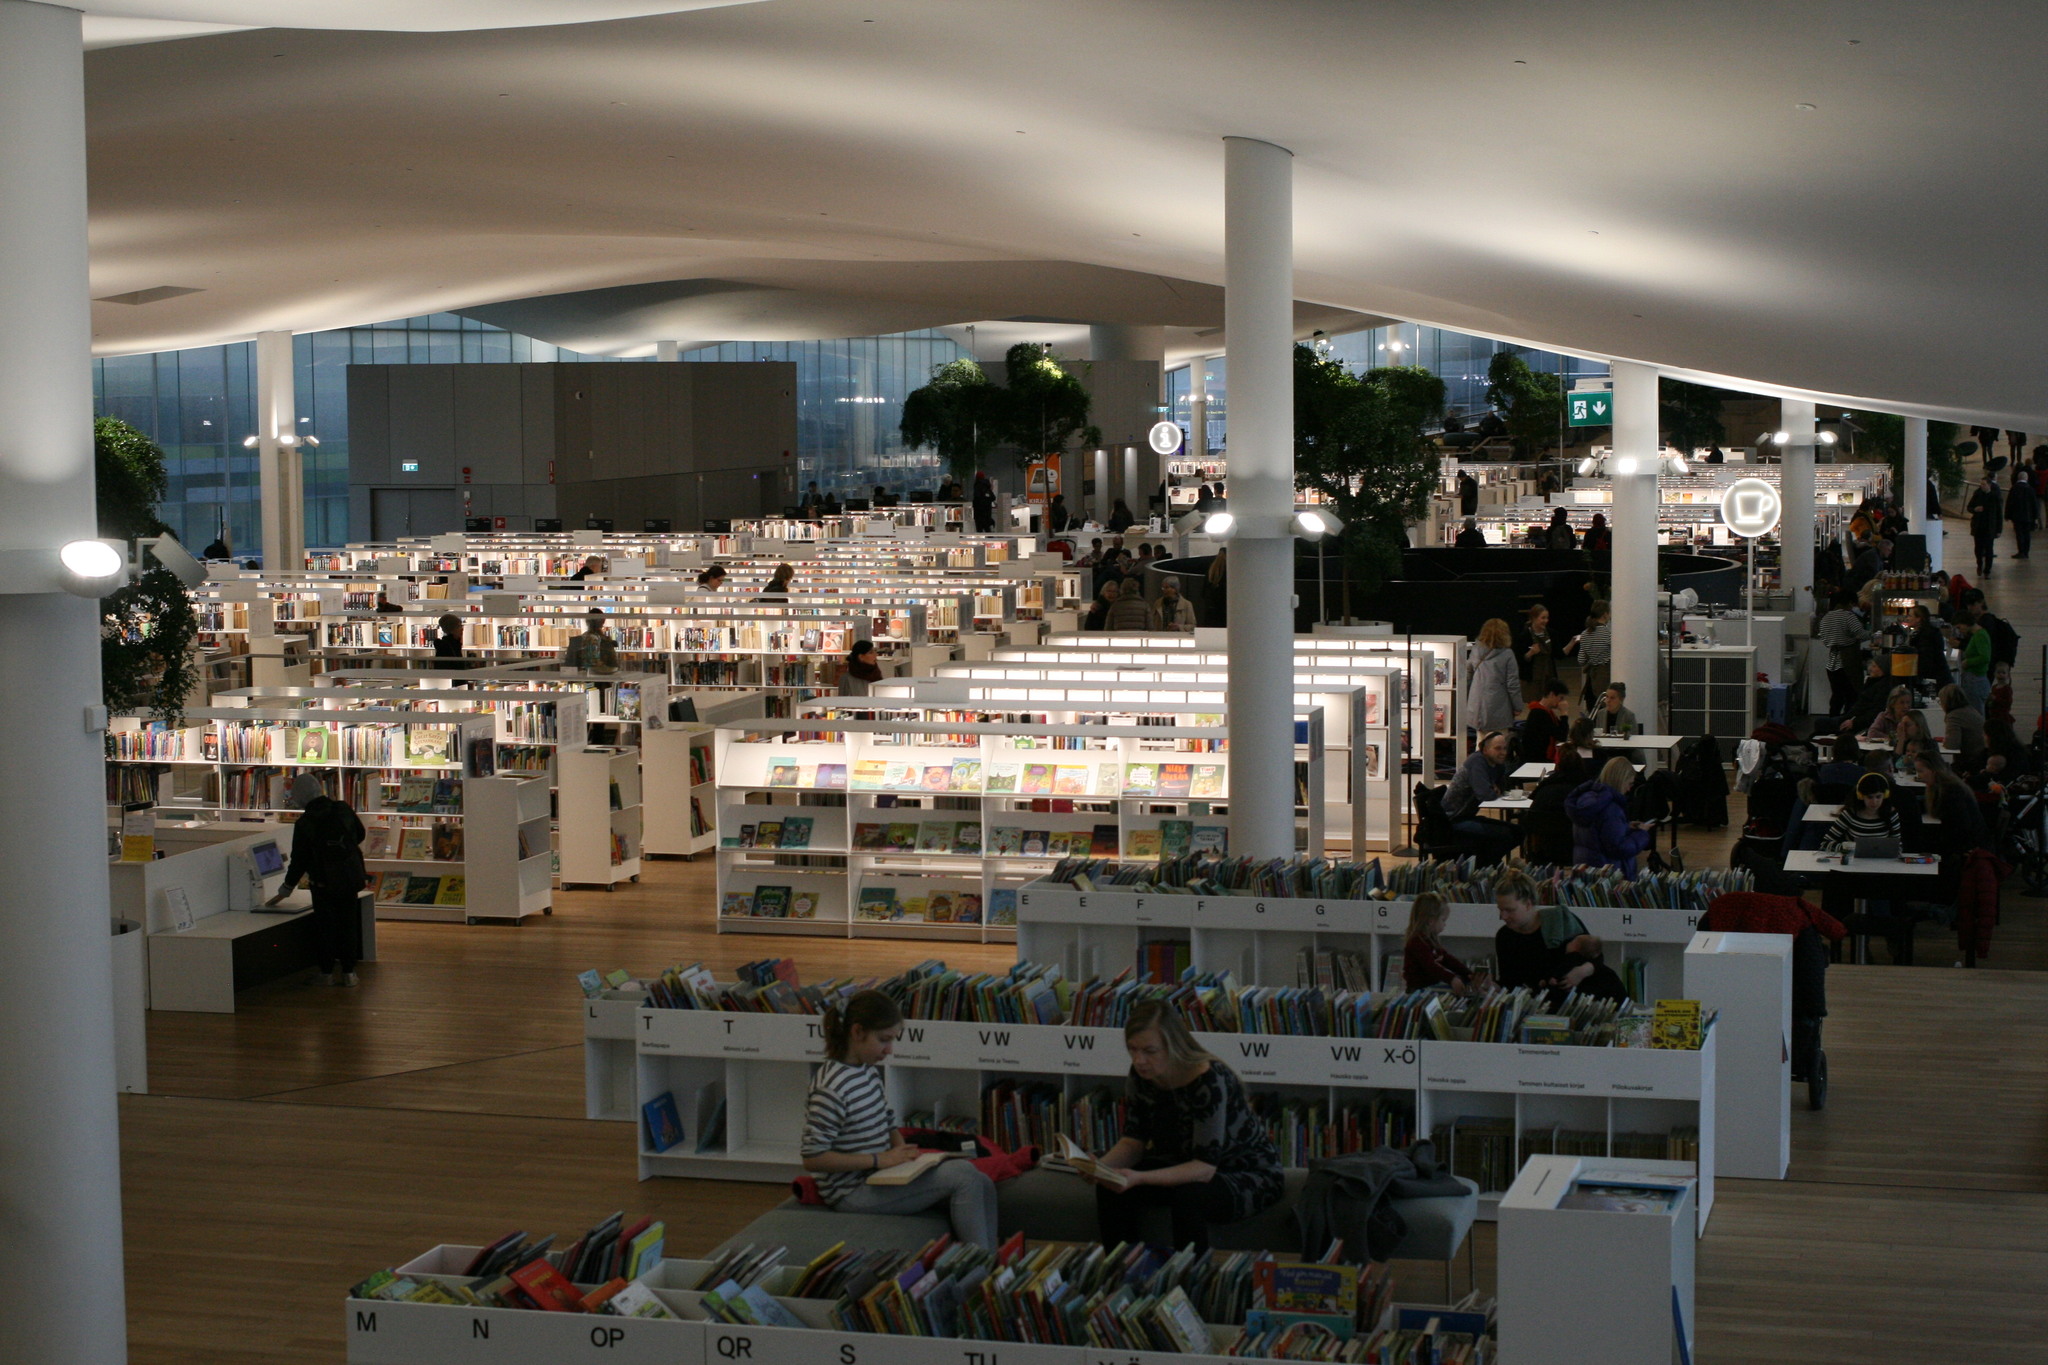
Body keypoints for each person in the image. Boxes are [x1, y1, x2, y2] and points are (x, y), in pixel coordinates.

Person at [801, 989, 997, 1247]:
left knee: (980, 1178)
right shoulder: (831, 1087)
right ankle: (980, 1265)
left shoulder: (866, 1071)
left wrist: (899, 1149)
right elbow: (813, 1158)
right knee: (964, 1177)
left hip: (879, 1175)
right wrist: (878, 1159)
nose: (890, 1050)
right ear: (857, 1032)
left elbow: (886, 1118)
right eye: (884, 1040)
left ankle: (992, 1260)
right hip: (853, 1192)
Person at [1086, 1000, 1284, 1253]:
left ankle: (1189, 1281)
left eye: (1150, 1050)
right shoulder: (1141, 1076)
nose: (1139, 1060)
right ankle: (1122, 1271)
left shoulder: (1209, 1079)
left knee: (1189, 1197)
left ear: (1174, 1046)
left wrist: (1139, 1177)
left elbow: (1204, 1169)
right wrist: (1102, 1168)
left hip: (1245, 1172)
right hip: (1181, 1165)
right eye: (1132, 1049)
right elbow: (1133, 1140)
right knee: (1110, 1189)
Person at [265, 773, 369, 986]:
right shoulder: (343, 809)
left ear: (300, 797)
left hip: (323, 882)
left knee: (326, 928)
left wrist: (287, 888)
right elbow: (360, 834)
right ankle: (349, 974)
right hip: (349, 878)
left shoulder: (306, 822)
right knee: (348, 925)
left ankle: (326, 973)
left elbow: (299, 860)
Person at [1492, 869, 1628, 1003]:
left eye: (1509, 910)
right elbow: (1509, 983)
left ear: (1528, 904)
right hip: (1549, 1003)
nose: (1502, 916)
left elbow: (1596, 956)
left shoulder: (1561, 921)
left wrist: (1581, 971)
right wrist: (1494, 988)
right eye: (1500, 910)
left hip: (1592, 997)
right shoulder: (1505, 937)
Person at [1567, 756, 1657, 877]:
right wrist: (1641, 833)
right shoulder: (1611, 809)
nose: (1629, 789)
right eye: (1629, 783)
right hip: (1609, 872)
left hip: (1586, 866)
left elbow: (1599, 832)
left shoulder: (1588, 800)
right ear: (1621, 780)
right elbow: (1618, 849)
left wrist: (1625, 826)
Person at [1439, 730, 1521, 860]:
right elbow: (1485, 795)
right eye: (1498, 748)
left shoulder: (1497, 764)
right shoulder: (1477, 762)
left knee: (1518, 832)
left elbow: (1504, 787)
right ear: (1485, 750)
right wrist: (1493, 789)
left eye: (1505, 748)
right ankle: (1485, 863)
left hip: (1466, 816)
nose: (1503, 753)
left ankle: (1487, 862)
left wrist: (1494, 788)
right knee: (1506, 834)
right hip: (1453, 820)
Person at [1520, 749, 1589, 864]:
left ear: (1557, 767)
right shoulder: (1587, 792)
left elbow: (1530, 822)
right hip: (1578, 849)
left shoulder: (1544, 790)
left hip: (1544, 852)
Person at [1403, 893, 1476, 993]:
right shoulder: (1416, 942)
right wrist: (1452, 979)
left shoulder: (1429, 941)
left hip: (1429, 988)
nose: (1445, 924)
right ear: (1431, 921)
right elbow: (1431, 967)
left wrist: (1468, 974)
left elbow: (1447, 959)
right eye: (1443, 920)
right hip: (1418, 991)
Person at [1816, 589, 1873, 714]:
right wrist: (1875, 634)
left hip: (1832, 662)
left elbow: (1825, 640)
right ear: (1850, 603)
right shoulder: (1848, 617)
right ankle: (1846, 723)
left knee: (1837, 696)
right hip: (1848, 661)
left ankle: (1832, 723)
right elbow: (1862, 634)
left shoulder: (1826, 617)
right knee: (1851, 696)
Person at [1821, 771, 1902, 852]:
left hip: (1881, 862)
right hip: (1854, 860)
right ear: (1861, 796)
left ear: (1885, 795)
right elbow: (1825, 843)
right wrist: (1848, 848)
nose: (1874, 802)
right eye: (1869, 797)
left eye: (1878, 797)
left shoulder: (1891, 814)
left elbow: (1897, 846)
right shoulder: (1850, 813)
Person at [1467, 619, 1524, 733]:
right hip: (1498, 705)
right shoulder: (1508, 654)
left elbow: (1468, 674)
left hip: (1477, 703)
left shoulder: (1476, 650)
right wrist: (1518, 706)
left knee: (1481, 740)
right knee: (1499, 741)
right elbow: (1512, 684)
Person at [1564, 599, 1612, 709]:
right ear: (1605, 614)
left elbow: (1581, 660)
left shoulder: (1585, 634)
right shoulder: (1608, 634)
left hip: (1591, 680)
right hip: (1605, 677)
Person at [1515, 604, 1559, 704]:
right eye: (1543, 618)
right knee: (1535, 705)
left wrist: (1572, 642)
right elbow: (1520, 659)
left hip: (1548, 676)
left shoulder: (1551, 633)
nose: (1546, 621)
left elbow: (1559, 654)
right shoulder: (1524, 636)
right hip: (1532, 679)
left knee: (1548, 705)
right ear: (1533, 618)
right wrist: (1530, 653)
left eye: (1547, 618)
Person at [1520, 678, 1570, 763]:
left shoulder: (1546, 712)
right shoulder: (1539, 713)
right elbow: (1561, 736)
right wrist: (1564, 713)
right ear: (1552, 695)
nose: (1562, 702)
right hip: (1538, 760)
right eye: (1560, 698)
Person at [1939, 683, 1987, 765]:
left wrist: (1945, 741)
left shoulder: (1954, 716)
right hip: (1983, 754)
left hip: (1972, 759)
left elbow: (1952, 744)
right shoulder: (1970, 710)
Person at [1907, 604, 1952, 688]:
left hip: (1934, 678)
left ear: (1918, 619)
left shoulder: (1926, 635)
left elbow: (1926, 659)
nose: (1908, 618)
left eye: (1910, 616)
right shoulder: (1929, 632)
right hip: (1939, 676)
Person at [1967, 473, 2002, 576]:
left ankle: (1987, 570)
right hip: (1978, 526)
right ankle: (1979, 564)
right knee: (1978, 548)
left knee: (1989, 549)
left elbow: (1999, 514)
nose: (1981, 486)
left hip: (1989, 527)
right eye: (1981, 484)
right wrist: (1975, 509)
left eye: (1983, 484)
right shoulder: (1977, 494)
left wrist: (1999, 529)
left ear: (1989, 485)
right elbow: (1969, 507)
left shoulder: (1995, 497)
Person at [563, 609, 619, 673]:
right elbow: (614, 667)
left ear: (586, 622)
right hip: (602, 680)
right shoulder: (607, 643)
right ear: (603, 622)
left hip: (580, 681)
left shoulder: (576, 642)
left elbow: (568, 670)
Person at [1958, 614, 1994, 713]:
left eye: (1959, 627)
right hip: (1976, 679)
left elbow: (1985, 657)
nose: (1959, 630)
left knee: (1976, 713)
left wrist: (1967, 662)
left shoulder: (1980, 635)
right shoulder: (1978, 634)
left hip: (1976, 680)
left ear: (1966, 624)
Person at [2009, 468, 2040, 560]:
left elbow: (2010, 503)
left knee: (2019, 534)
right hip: (2028, 516)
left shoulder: (2014, 488)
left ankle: (2021, 551)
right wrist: (2036, 516)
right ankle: (2026, 552)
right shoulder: (2030, 489)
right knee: (2027, 534)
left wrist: (2008, 515)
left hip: (2017, 516)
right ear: (2026, 478)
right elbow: (2034, 504)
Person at [1989, 661, 2015, 727]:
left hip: (2003, 717)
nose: (2001, 674)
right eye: (1998, 672)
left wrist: (1995, 699)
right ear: (1994, 674)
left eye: (2003, 673)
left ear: (2008, 675)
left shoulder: (2007, 688)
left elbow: (2008, 703)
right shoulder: (1994, 687)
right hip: (1994, 715)